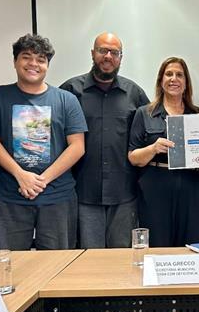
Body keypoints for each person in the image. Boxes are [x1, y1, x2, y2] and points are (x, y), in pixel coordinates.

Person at [0, 34, 87, 250]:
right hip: (12, 195)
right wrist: (21, 176)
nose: (33, 64)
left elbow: (77, 146)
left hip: (57, 196)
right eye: (26, 57)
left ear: (47, 65)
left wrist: (40, 181)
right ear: (15, 62)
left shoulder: (66, 99)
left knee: (57, 266)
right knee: (11, 264)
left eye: (41, 59)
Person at [60, 32, 149, 248]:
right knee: (88, 260)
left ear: (121, 57)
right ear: (93, 53)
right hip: (83, 191)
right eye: (102, 50)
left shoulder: (134, 93)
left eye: (114, 52)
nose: (108, 56)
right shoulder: (70, 92)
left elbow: (148, 137)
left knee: (122, 259)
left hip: (125, 192)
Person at [128, 57, 199, 246]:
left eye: (179, 75)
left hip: (192, 185)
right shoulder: (144, 113)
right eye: (169, 74)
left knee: (192, 243)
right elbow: (133, 157)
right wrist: (153, 148)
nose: (174, 79)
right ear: (160, 80)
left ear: (186, 83)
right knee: (158, 243)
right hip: (155, 186)